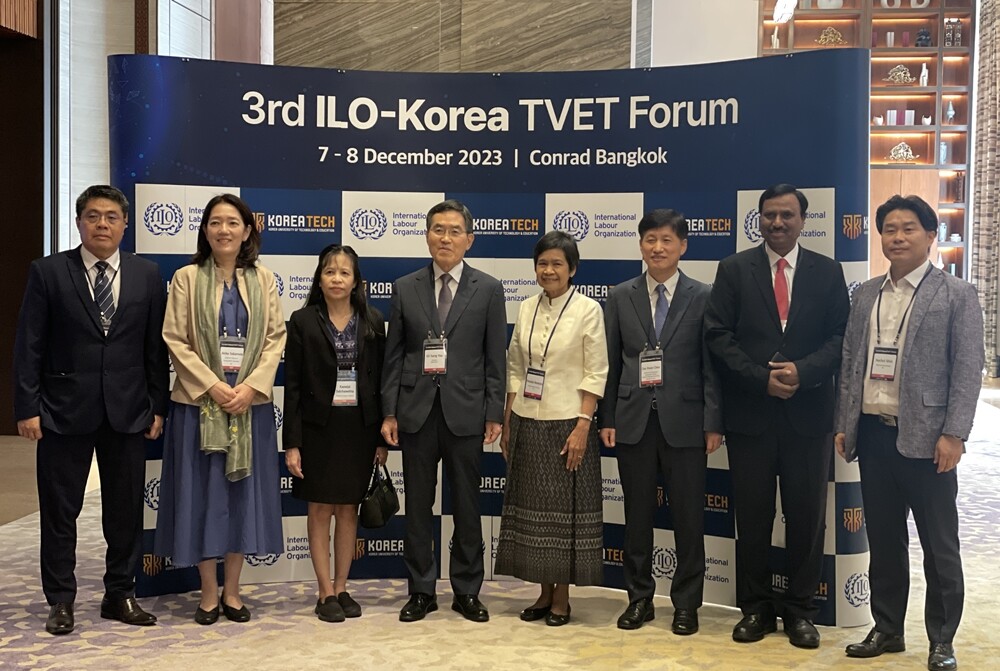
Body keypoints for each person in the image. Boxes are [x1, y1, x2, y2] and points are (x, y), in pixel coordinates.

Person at [835, 195, 984, 671]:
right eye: (889, 229)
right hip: (874, 436)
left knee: (940, 547)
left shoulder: (957, 294)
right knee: (884, 542)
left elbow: (968, 369)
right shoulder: (866, 293)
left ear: (930, 235)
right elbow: (851, 362)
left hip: (928, 440)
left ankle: (942, 639)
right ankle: (888, 629)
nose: (897, 237)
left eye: (908, 228)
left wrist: (955, 433)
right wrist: (845, 424)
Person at [12, 185, 169, 635]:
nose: (103, 224)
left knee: (124, 513)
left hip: (128, 411)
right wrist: (27, 407)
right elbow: (29, 344)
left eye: (112, 217)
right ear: (79, 222)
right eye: (94, 216)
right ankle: (61, 600)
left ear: (125, 224)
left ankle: (120, 593)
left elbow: (154, 349)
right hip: (62, 412)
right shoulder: (47, 272)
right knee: (60, 512)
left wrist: (157, 406)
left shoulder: (146, 274)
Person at [705, 183, 849, 648]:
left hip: (809, 417)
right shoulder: (733, 269)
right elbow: (718, 335)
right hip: (751, 417)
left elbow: (841, 337)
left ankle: (801, 611)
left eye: (787, 215)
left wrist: (802, 372)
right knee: (752, 518)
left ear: (803, 220)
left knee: (807, 518)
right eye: (769, 215)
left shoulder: (828, 271)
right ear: (759, 219)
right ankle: (756, 608)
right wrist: (759, 378)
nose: (778, 223)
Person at [155, 193, 286, 624]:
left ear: (247, 231)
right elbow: (175, 339)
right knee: (202, 498)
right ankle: (208, 593)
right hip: (199, 406)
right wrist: (213, 386)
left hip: (250, 406)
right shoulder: (187, 278)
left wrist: (250, 387)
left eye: (232, 223)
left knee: (240, 498)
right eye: (215, 222)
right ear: (205, 230)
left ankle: (233, 591)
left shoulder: (263, 279)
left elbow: (275, 338)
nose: (223, 230)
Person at [381, 199, 506, 623]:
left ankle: (467, 590)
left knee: (467, 505)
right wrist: (389, 412)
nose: (445, 238)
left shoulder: (489, 289)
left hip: (467, 412)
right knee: (418, 506)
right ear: (427, 236)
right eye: (438, 230)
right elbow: (394, 356)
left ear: (469, 239)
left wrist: (494, 412)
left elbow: (495, 358)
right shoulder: (405, 287)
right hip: (416, 411)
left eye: (454, 231)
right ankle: (421, 590)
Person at [599, 209, 723, 634]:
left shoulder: (703, 295)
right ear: (640, 245)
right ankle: (639, 599)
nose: (657, 248)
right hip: (633, 420)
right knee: (636, 518)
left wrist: (713, 422)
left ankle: (687, 604)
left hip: (686, 422)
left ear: (683, 246)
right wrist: (607, 417)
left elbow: (711, 366)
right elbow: (611, 362)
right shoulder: (620, 295)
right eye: (650, 239)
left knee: (689, 518)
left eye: (667, 240)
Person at [495, 230, 608, 627]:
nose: (549, 270)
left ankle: (562, 598)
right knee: (534, 516)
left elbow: (597, 371)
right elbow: (514, 366)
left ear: (572, 268)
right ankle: (543, 593)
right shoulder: (526, 306)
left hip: (568, 423)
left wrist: (583, 425)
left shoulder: (588, 309)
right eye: (542, 263)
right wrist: (508, 419)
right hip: (528, 420)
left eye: (557, 263)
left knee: (563, 517)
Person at [283, 244, 388, 622]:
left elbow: (382, 382)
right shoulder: (302, 320)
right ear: (319, 278)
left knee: (348, 510)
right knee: (320, 509)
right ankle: (324, 590)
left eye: (345, 272)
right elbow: (292, 386)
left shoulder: (373, 320)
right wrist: (292, 443)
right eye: (330, 272)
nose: (337, 279)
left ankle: (342, 587)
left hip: (359, 429)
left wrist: (381, 439)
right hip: (317, 429)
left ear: (356, 280)